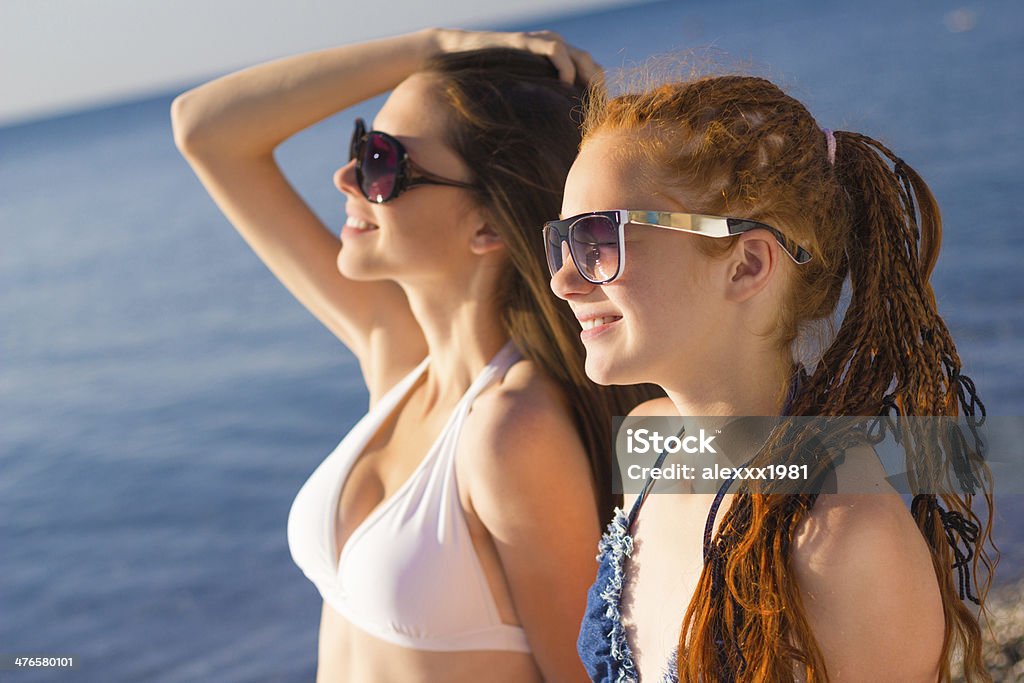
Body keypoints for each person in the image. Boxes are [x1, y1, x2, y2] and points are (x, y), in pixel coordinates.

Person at [171, 28, 659, 683]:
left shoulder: (513, 430)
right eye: (360, 145)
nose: (345, 176)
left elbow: (584, 674)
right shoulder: (399, 357)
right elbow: (203, 130)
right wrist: (434, 47)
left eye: (381, 162)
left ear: (488, 223)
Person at [547, 74, 993, 681]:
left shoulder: (844, 536)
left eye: (600, 238)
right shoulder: (652, 446)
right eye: (563, 242)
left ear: (747, 266)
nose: (564, 281)